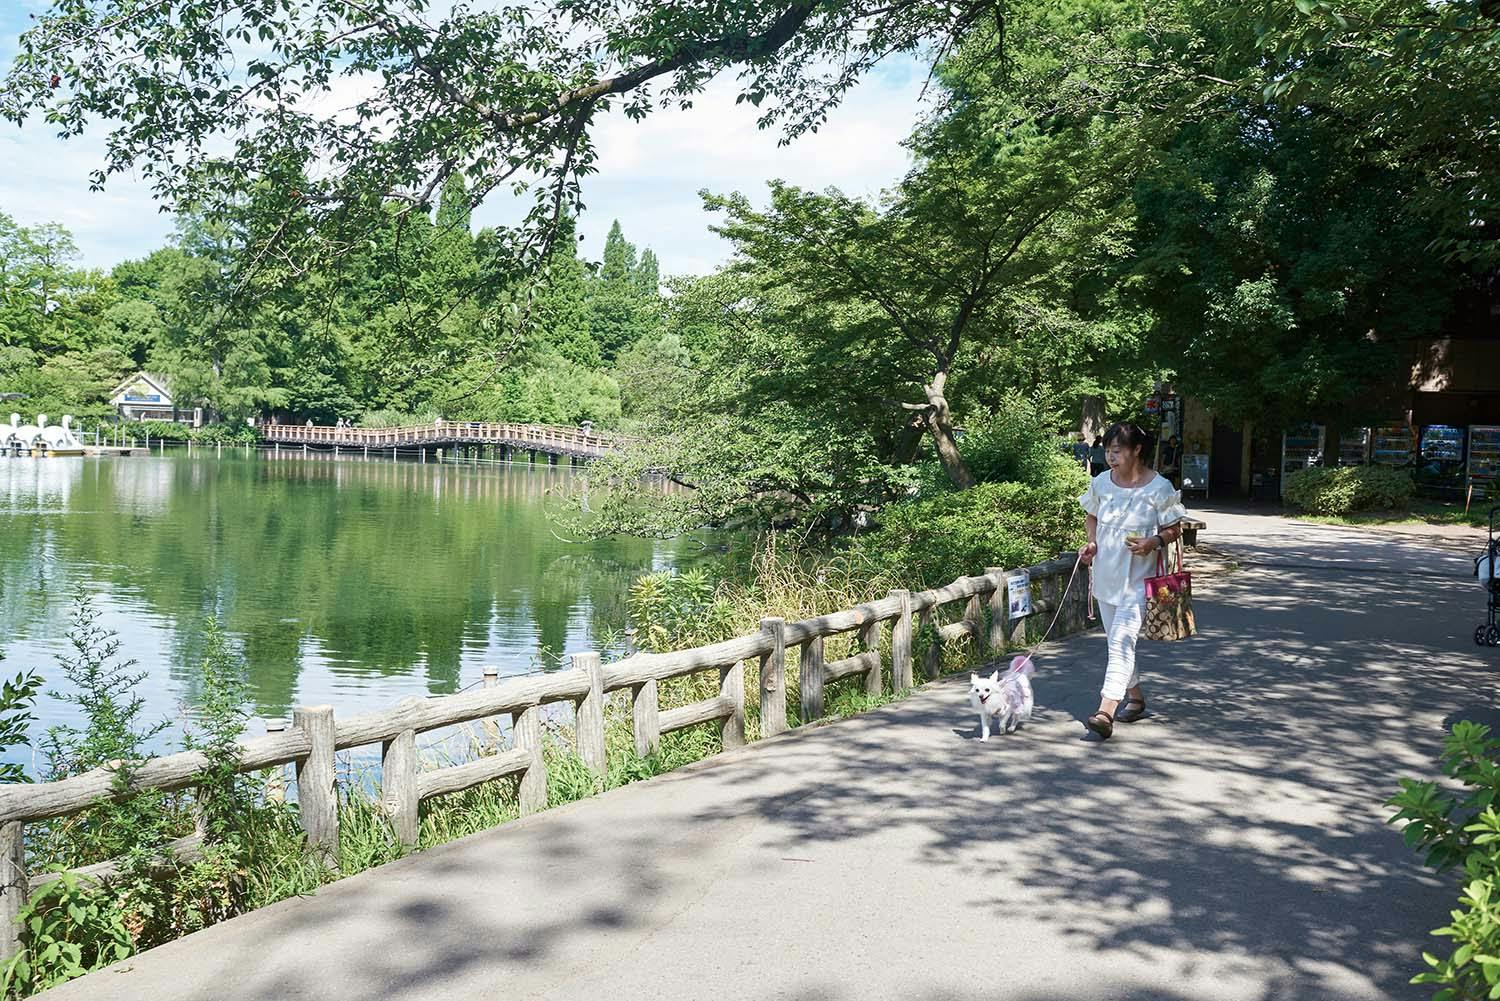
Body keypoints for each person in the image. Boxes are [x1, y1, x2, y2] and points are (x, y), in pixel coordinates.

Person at [1075, 421, 1187, 740]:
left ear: (1137, 450)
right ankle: (1136, 699)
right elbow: (1091, 515)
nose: (1110, 457)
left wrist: (1154, 542)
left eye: (1117, 450)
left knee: (1122, 641)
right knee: (1117, 644)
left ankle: (1105, 711)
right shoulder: (1101, 482)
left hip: (1140, 581)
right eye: (1107, 451)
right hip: (1107, 579)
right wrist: (1092, 543)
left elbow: (1176, 527)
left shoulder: (1160, 487)